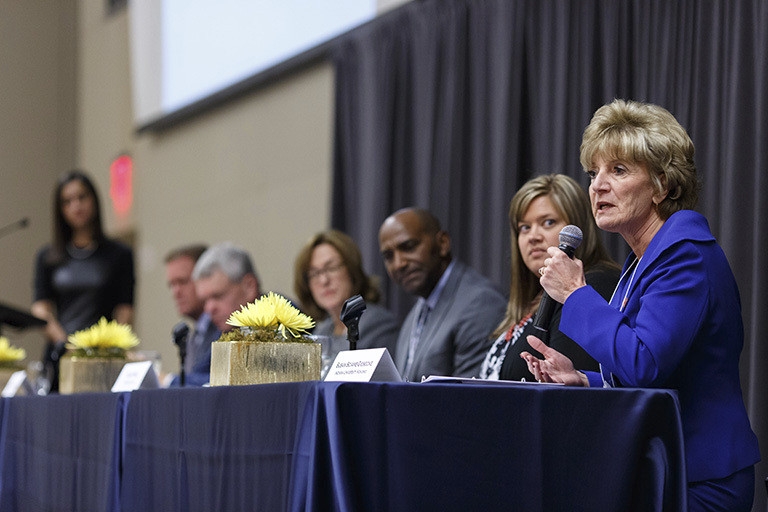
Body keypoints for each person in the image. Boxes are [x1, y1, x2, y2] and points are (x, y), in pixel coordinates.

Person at [521, 99, 760, 511]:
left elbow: (645, 362)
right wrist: (584, 379)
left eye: (618, 170)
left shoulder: (685, 254)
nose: (597, 186)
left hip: (700, 479)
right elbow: (652, 370)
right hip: (666, 467)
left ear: (663, 185)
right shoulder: (642, 260)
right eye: (593, 173)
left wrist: (577, 294)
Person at [479, 174, 620, 381]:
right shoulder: (531, 299)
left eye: (548, 222)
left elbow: (571, 385)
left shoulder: (593, 284)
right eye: (524, 227)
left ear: (578, 229)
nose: (533, 236)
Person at [32, 170, 135, 392]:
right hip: (61, 353)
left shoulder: (119, 254)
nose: (76, 206)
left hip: (102, 357)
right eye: (67, 202)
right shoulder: (48, 257)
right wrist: (65, 343)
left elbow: (125, 310)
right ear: (60, 210)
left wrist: (108, 348)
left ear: (94, 199)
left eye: (82, 197)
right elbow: (41, 308)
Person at [378, 207, 506, 381]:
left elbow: (470, 396)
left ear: (443, 243)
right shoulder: (415, 314)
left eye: (408, 247)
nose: (399, 263)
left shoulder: (481, 304)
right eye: (388, 256)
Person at [293, 230, 399, 364]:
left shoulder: (377, 323)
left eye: (331, 268)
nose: (324, 280)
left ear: (351, 270)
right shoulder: (322, 330)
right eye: (314, 274)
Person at [165, 244, 221, 386]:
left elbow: (215, 381)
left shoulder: (226, 327)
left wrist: (167, 380)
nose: (176, 292)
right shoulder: (191, 336)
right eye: (172, 285)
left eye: (182, 282)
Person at [192, 242, 261, 333]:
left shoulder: (283, 329)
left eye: (218, 296)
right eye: (204, 301)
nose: (209, 309)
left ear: (249, 287)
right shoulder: (206, 334)